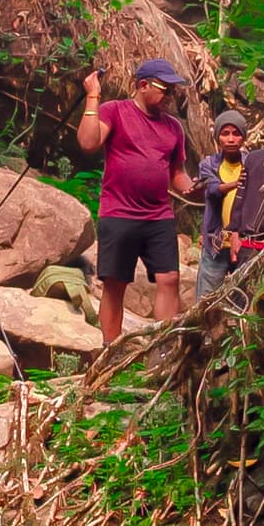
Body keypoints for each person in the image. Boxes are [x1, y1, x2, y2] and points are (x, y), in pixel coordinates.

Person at [77, 58, 190, 344]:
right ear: (143, 85)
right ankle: (110, 350)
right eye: (165, 89)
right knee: (116, 283)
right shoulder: (115, 111)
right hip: (119, 213)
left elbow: (177, 174)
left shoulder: (174, 128)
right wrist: (93, 95)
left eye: (173, 91)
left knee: (169, 279)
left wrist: (195, 189)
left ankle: (163, 349)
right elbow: (89, 142)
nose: (169, 97)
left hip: (159, 215)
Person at [192, 102, 264, 307]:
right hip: (246, 246)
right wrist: (235, 232)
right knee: (237, 301)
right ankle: (213, 338)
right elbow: (241, 198)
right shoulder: (255, 159)